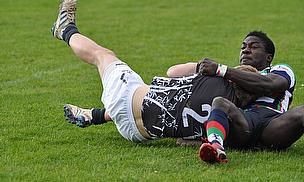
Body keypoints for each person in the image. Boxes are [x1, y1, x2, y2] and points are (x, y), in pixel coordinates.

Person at [52, 0, 256, 156]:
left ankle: (65, 29)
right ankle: (94, 115)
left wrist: (203, 68)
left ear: (233, 79)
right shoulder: (223, 120)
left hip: (124, 96)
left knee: (103, 55)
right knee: (160, 99)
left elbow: (172, 71)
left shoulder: (215, 79)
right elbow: (183, 142)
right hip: (135, 134)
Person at [168, 31, 303, 163]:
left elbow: (271, 85)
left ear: (268, 57)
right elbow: (172, 72)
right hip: (243, 123)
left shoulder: (280, 69)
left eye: (254, 47)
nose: (246, 50)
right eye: (243, 47)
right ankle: (215, 146)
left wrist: (221, 70)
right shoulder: (232, 74)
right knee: (219, 102)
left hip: (273, 124)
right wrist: (200, 67)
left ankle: (208, 140)